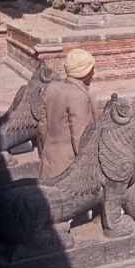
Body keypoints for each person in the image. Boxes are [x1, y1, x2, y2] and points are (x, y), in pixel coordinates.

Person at [38, 48, 97, 179]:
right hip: (68, 166)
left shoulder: (52, 88)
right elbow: (81, 138)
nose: (94, 73)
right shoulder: (78, 95)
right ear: (84, 72)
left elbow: (42, 126)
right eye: (91, 69)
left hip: (49, 160)